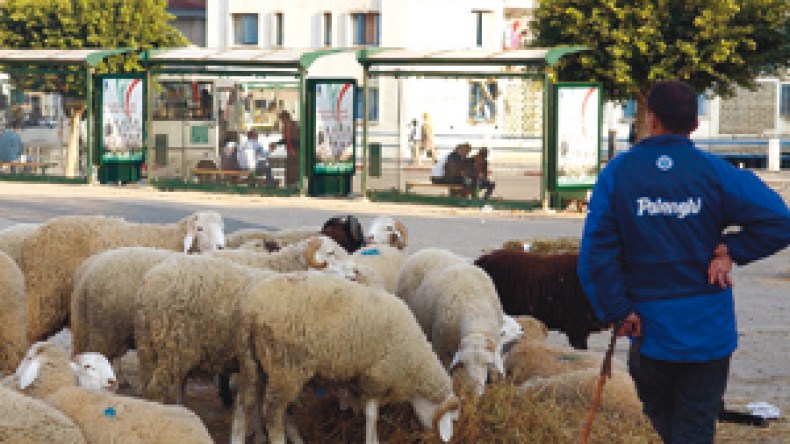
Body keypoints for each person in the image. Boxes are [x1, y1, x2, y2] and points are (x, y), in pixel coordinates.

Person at [577, 80, 790, 444]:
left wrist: (616, 309)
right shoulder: (715, 172)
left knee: (665, 425)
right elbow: (780, 221)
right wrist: (734, 249)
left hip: (649, 331)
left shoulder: (618, 174)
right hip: (708, 333)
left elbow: (596, 254)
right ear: (695, 124)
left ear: (651, 119)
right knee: (695, 428)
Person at [278, 110, 300, 187]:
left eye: (282, 119)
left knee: (295, 168)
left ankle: (296, 184)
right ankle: (289, 184)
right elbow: (286, 140)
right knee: (289, 168)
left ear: (286, 118)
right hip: (289, 151)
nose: (282, 122)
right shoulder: (284, 128)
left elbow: (297, 139)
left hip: (296, 151)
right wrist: (277, 143)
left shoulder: (295, 126)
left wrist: (294, 149)